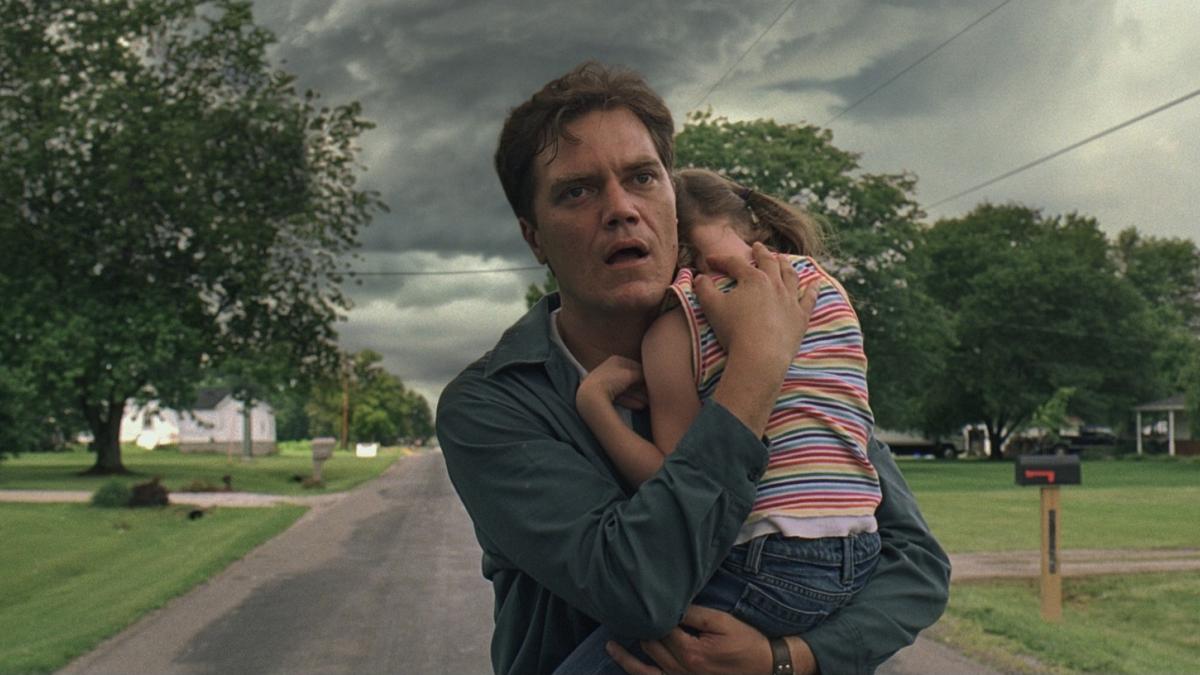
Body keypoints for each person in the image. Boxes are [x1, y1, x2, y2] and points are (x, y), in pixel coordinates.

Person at [436, 61, 950, 675]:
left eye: (643, 178)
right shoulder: (494, 401)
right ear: (534, 237)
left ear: (673, 207)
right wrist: (756, 368)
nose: (621, 209)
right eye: (577, 190)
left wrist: (788, 660)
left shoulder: (773, 333)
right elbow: (638, 590)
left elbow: (915, 563)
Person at [571, 168, 881, 669]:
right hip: (862, 552)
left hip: (769, 559)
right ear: (751, 223)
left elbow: (678, 484)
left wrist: (595, 407)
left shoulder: (679, 318)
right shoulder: (826, 286)